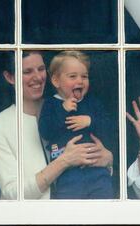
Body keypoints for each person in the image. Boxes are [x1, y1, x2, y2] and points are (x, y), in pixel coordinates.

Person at [0, 51, 113, 200]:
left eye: (41, 69)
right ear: (10, 77)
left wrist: (108, 160)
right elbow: (12, 193)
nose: (38, 77)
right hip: (33, 219)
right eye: (27, 71)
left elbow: (106, 136)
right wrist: (64, 161)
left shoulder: (69, 106)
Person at [38, 51, 114, 199]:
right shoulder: (51, 104)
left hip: (97, 169)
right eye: (72, 76)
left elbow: (110, 128)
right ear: (56, 81)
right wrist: (63, 110)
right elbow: (45, 130)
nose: (80, 81)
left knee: (104, 207)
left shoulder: (93, 103)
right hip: (68, 172)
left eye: (84, 76)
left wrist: (91, 121)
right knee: (70, 210)